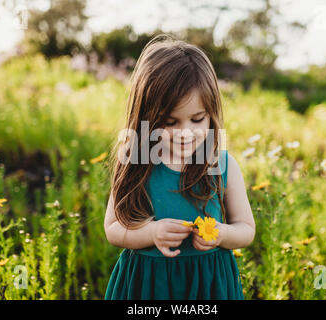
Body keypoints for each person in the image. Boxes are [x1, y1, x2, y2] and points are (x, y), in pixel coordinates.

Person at [104, 34, 255, 300]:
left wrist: (221, 234)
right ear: (145, 116)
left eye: (197, 119)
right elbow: (114, 228)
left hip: (208, 287)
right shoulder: (136, 161)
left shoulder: (222, 165)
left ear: (211, 114)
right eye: (170, 122)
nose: (185, 133)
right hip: (149, 286)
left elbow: (246, 229)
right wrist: (151, 232)